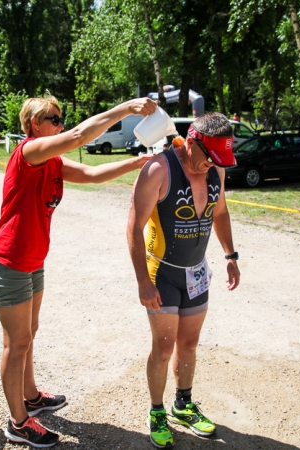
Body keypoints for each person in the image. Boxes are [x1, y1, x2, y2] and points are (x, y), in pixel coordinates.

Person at [0, 95, 156, 448]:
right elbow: (79, 136)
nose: (61, 124)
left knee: (29, 333)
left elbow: (92, 174)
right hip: (10, 259)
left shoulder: (52, 163)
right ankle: (18, 423)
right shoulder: (29, 153)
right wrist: (125, 108)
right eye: (54, 118)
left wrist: (141, 161)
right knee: (16, 344)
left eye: (62, 118)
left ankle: (31, 397)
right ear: (34, 124)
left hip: (32, 260)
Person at [126, 112, 241, 448]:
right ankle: (157, 411)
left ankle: (183, 404)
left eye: (218, 161)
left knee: (188, 344)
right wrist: (143, 282)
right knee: (163, 347)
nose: (211, 166)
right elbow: (133, 228)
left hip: (196, 272)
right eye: (208, 158)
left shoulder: (216, 169)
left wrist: (230, 256)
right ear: (191, 143)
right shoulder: (158, 170)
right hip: (161, 273)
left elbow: (219, 212)